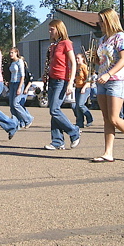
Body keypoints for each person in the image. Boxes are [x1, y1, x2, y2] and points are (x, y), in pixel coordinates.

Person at [91, 8, 124, 162]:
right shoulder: (103, 39)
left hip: (116, 80)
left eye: (101, 21)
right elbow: (102, 61)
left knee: (114, 118)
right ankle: (108, 153)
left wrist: (109, 74)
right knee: (106, 118)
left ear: (109, 21)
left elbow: (123, 59)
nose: (99, 24)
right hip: (102, 80)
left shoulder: (121, 37)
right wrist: (94, 58)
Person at [42, 19, 80, 150]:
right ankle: (57, 141)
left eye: (52, 29)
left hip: (61, 80)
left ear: (59, 29)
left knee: (54, 109)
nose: (50, 31)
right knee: (53, 111)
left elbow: (73, 63)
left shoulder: (66, 43)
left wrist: (70, 82)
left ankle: (74, 131)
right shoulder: (53, 45)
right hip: (52, 80)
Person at [8, 47, 33, 129]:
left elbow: (23, 75)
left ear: (16, 53)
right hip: (12, 83)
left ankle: (28, 119)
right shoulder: (12, 63)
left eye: (12, 52)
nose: (10, 54)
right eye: (10, 53)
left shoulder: (20, 61)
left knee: (16, 104)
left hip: (19, 83)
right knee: (11, 105)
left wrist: (20, 87)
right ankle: (17, 123)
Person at [73, 52, 93, 129]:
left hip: (85, 87)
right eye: (76, 58)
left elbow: (88, 79)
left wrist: (84, 87)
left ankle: (89, 118)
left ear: (83, 59)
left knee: (80, 104)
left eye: (78, 58)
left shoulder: (84, 67)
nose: (77, 60)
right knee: (76, 106)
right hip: (77, 88)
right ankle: (79, 122)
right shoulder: (76, 67)